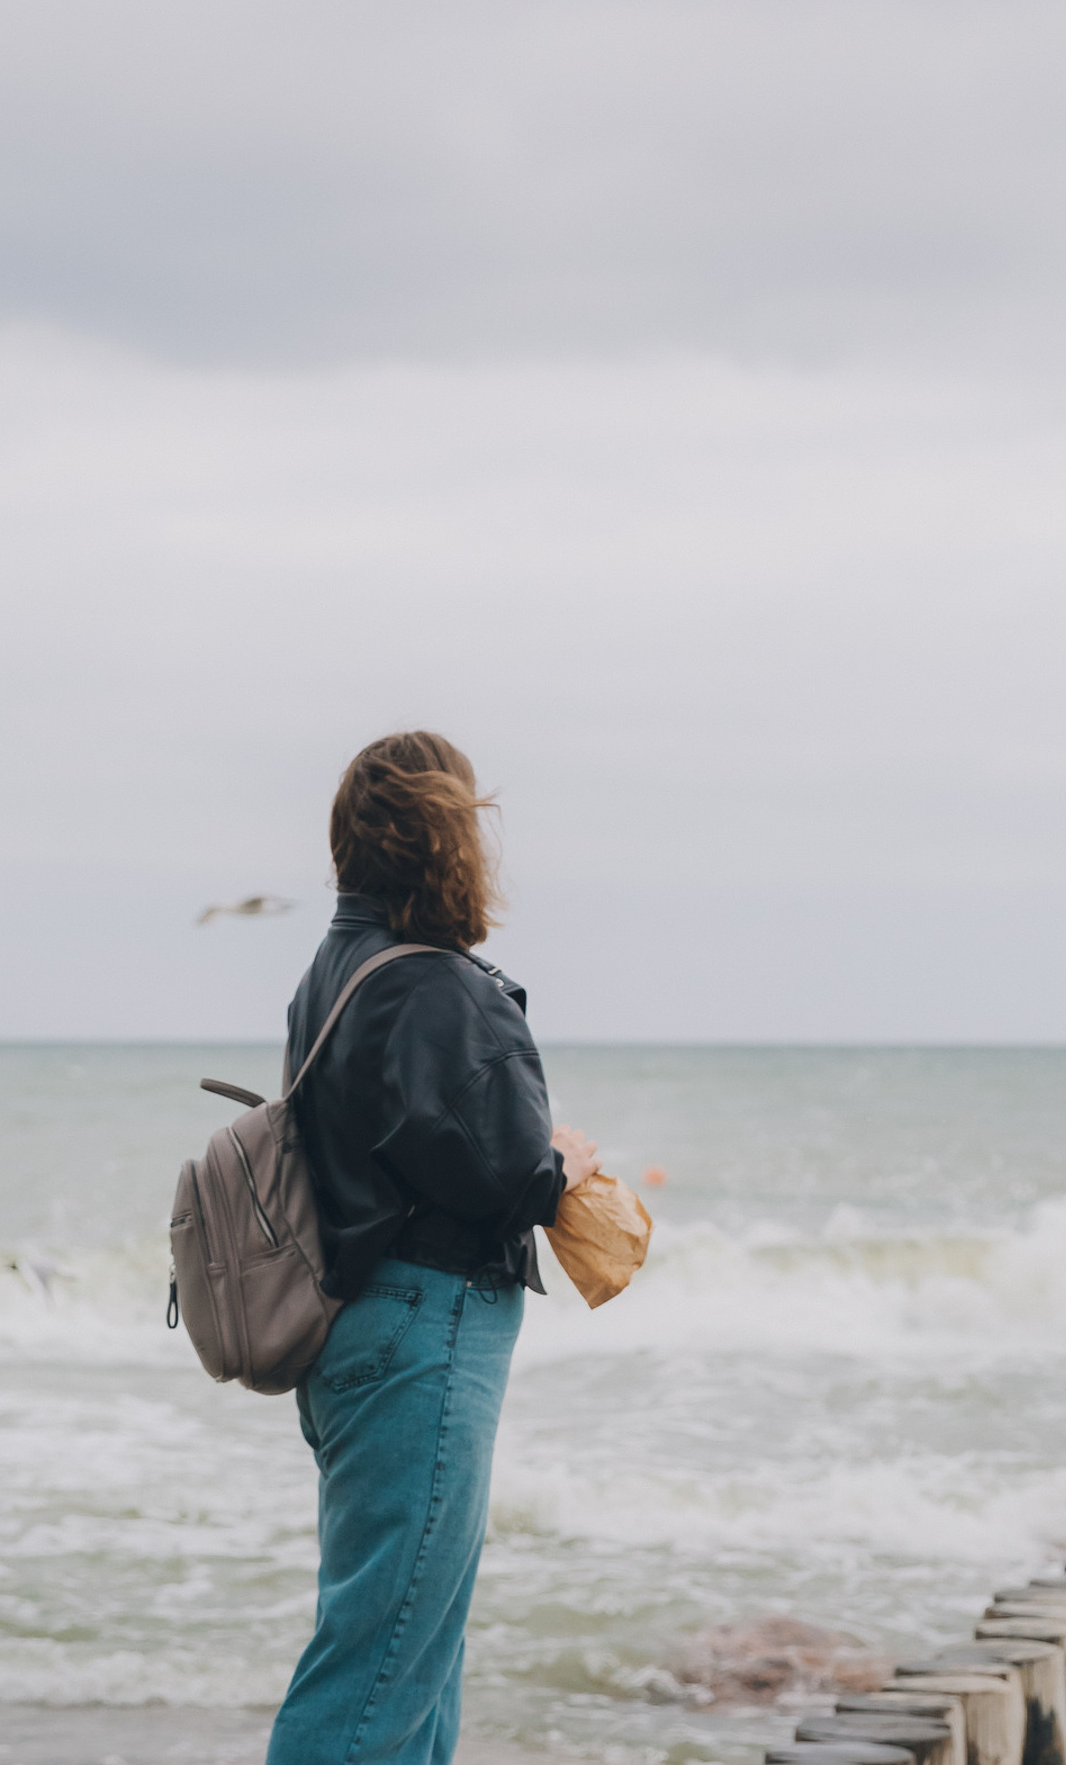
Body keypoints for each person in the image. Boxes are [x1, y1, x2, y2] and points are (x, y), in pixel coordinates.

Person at [265, 730, 600, 1765]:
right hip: (426, 1324)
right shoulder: (434, 985)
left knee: (407, 1649)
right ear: (451, 838)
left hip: (358, 1322)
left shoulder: (335, 970)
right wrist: (566, 1161)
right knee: (381, 1668)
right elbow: (502, 1176)